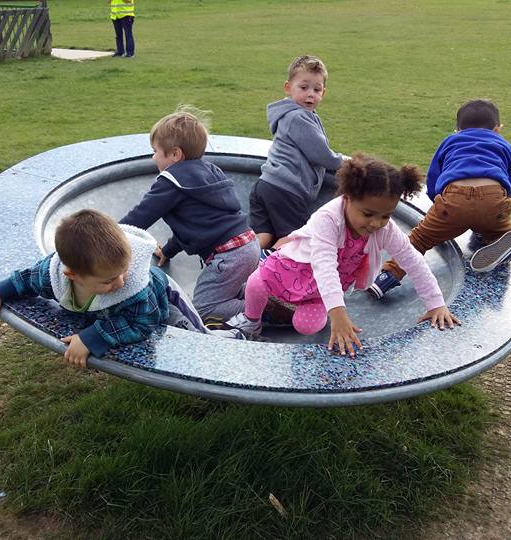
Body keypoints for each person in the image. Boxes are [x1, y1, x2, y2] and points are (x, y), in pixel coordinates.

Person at [225, 153, 460, 356]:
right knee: (256, 284)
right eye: (368, 214)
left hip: (319, 290)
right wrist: (338, 314)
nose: (376, 223)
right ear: (347, 199)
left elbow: (412, 260)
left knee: (307, 326)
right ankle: (252, 320)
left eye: (386, 215)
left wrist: (436, 303)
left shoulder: (384, 228)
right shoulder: (328, 218)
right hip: (296, 267)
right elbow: (324, 264)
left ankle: (279, 311)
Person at [368, 99, 511, 300]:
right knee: (499, 230)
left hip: (454, 199)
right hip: (493, 198)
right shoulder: (504, 145)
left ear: (457, 129)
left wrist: (437, 203)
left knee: (420, 239)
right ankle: (500, 241)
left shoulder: (451, 141)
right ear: (497, 129)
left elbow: (434, 176)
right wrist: (501, 204)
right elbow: (507, 179)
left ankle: (388, 276)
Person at [0, 209, 170, 367]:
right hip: (112, 311)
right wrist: (0, 292)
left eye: (124, 271)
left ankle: (197, 329)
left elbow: (143, 323)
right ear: (72, 276)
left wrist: (96, 337)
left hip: (162, 300)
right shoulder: (51, 276)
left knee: (183, 324)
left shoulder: (135, 289)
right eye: (108, 281)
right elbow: (28, 278)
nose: (120, 283)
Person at [120, 107, 259, 323]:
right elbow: (198, 226)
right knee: (225, 292)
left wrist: (111, 235)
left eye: (155, 150)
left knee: (204, 308)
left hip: (228, 256)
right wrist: (168, 250)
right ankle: (260, 294)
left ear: (175, 154)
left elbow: (141, 216)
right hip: (248, 245)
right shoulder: (210, 171)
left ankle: (263, 308)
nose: (153, 156)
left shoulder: (170, 181)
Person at [249, 55, 346, 258]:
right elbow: (321, 155)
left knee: (264, 234)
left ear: (323, 93)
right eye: (304, 88)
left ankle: (243, 258)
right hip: (286, 189)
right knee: (295, 238)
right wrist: (346, 163)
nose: (310, 94)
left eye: (316, 90)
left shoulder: (289, 114)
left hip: (266, 185)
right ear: (288, 87)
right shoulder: (298, 117)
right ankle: (266, 266)